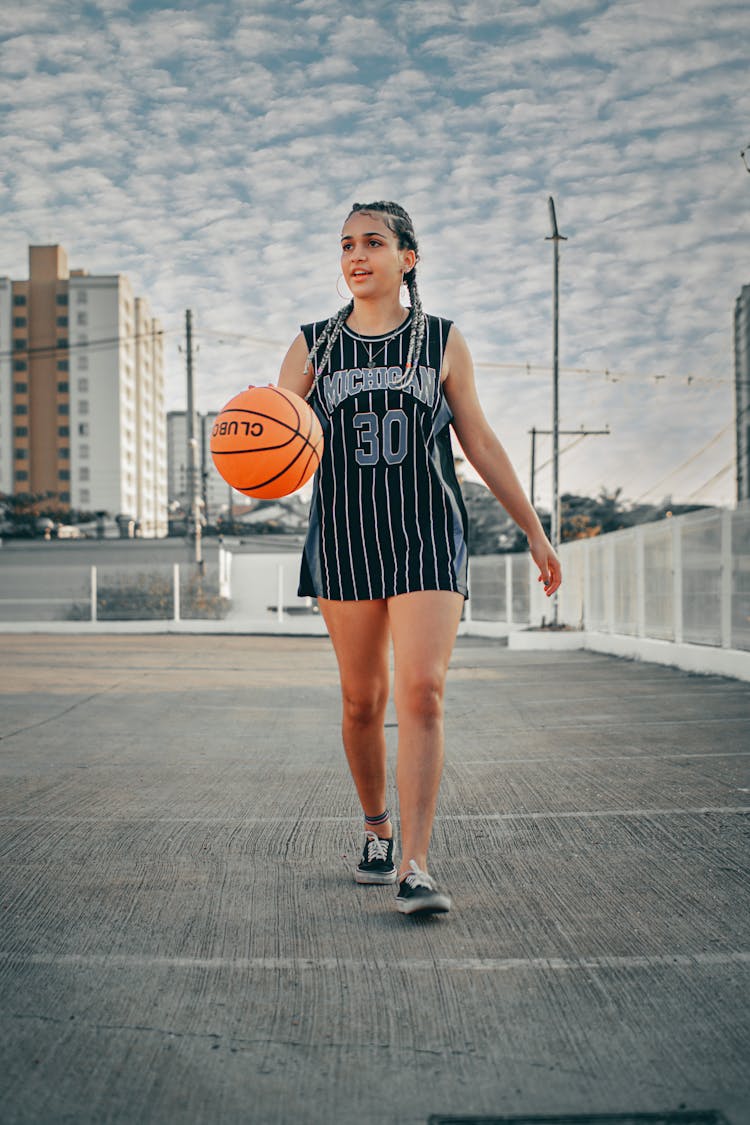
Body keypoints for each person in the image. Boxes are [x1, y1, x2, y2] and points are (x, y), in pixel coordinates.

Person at [278, 200, 561, 916]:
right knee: (362, 699)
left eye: (373, 241)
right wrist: (251, 450)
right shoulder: (313, 345)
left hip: (427, 533)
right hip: (345, 536)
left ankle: (416, 862)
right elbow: (276, 433)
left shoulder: (440, 340)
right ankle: (376, 825)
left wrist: (534, 528)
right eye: (346, 244)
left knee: (422, 692)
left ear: (409, 257)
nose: (356, 254)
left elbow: (482, 442)